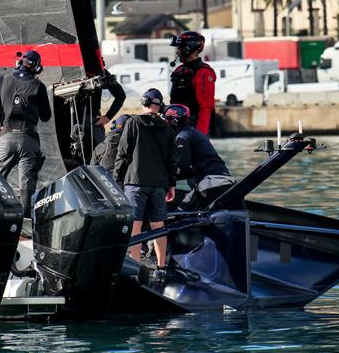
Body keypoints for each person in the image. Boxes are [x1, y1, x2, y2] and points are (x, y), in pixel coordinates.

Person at [0, 50, 51, 216]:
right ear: (37, 67)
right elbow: (46, 117)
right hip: (29, 139)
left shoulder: (2, 80)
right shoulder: (39, 86)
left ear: (19, 63)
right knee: (26, 186)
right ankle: (24, 222)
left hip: (6, 138)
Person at [114, 88, 177, 270]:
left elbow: (123, 152)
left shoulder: (133, 122)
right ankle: (161, 266)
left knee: (136, 225)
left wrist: (117, 179)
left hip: (135, 182)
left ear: (143, 103)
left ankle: (135, 265)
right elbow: (172, 159)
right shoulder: (167, 127)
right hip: (158, 184)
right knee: (159, 226)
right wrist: (171, 184)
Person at [162, 104, 235, 210]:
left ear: (173, 121)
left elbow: (183, 168)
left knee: (179, 214)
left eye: (166, 119)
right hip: (220, 182)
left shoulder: (182, 137)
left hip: (211, 184)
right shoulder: (191, 132)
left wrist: (161, 179)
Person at [169, 31, 216, 136]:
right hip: (177, 127)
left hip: (194, 128)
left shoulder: (203, 72)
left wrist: (200, 136)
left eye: (180, 48)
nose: (178, 51)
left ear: (188, 48)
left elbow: (205, 108)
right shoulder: (178, 71)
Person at [92, 69, 127, 146]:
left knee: (99, 154)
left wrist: (108, 117)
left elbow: (120, 95)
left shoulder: (96, 68)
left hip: (91, 122)